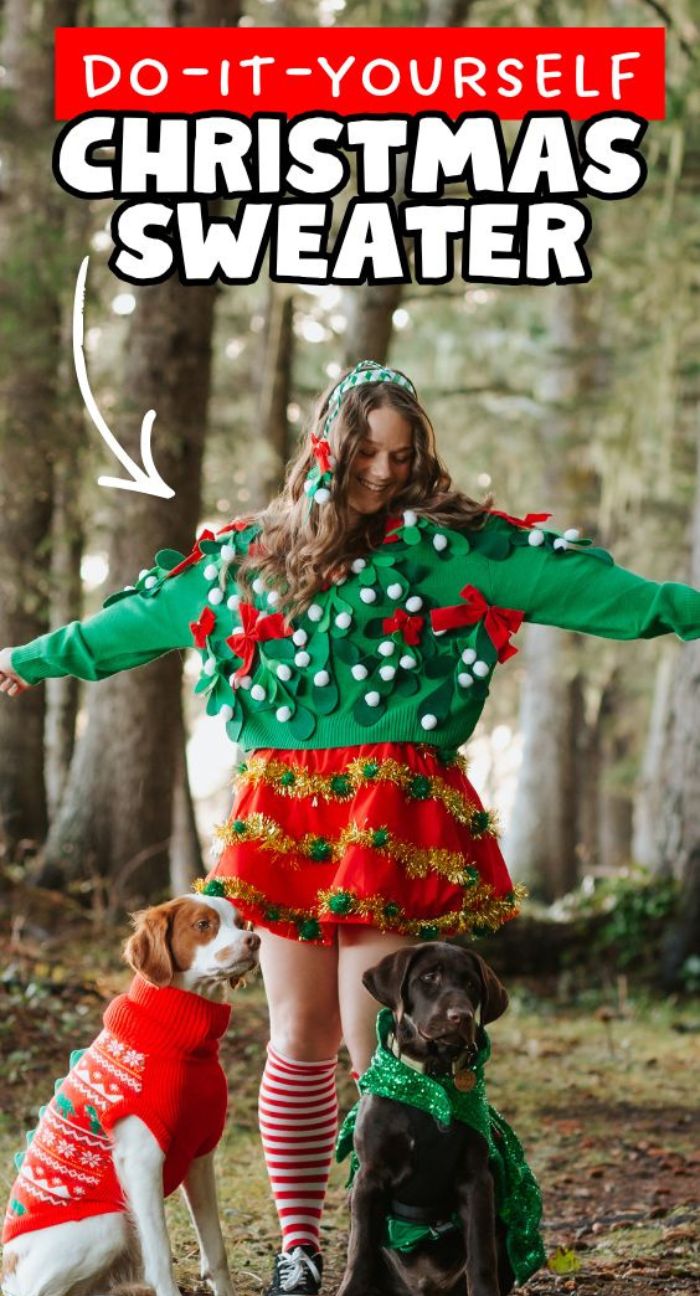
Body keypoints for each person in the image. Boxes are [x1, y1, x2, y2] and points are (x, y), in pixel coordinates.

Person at [1, 359, 699, 1295]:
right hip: (286, 811)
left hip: (390, 809)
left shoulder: (455, 549)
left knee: (378, 1042)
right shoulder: (249, 556)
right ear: (327, 445)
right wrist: (31, 660)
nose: (381, 471)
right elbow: (141, 620)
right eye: (365, 451)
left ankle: (398, 1246)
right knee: (298, 1031)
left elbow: (591, 592)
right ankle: (301, 1244)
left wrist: (688, 613)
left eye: (401, 456)